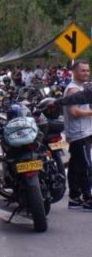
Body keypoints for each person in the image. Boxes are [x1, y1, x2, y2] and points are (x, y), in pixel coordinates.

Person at [55, 59, 92, 209]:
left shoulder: (82, 87)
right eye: (83, 70)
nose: (86, 73)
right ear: (74, 72)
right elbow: (74, 112)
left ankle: (74, 198)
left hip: (83, 132)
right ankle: (87, 199)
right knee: (85, 167)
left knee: (76, 165)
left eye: (88, 70)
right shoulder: (73, 89)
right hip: (79, 133)